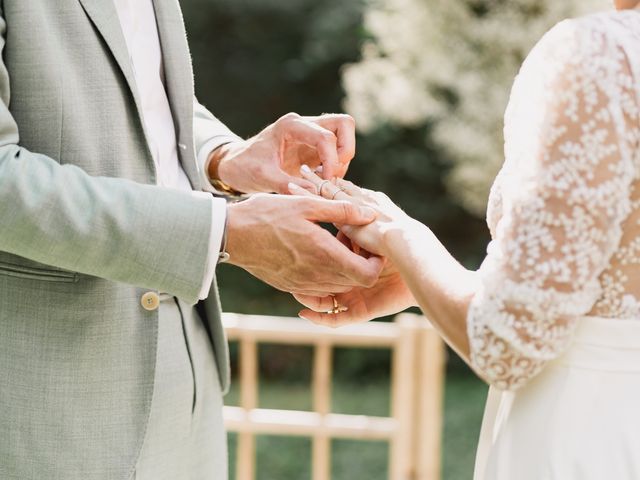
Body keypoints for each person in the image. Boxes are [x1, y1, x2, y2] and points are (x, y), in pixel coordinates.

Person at [0, 1, 383, 479]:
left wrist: (223, 158)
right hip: (44, 405)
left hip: (188, 388)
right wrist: (221, 233)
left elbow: (143, 90)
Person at [291, 2, 640, 478]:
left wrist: (400, 236)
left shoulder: (601, 54)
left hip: (587, 438)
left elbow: (508, 342)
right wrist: (428, 284)